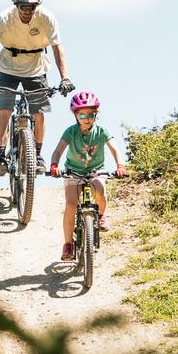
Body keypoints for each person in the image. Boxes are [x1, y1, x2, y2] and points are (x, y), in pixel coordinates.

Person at [0, 0, 75, 175]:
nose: (28, 11)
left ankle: (36, 155)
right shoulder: (4, 19)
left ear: (38, 5)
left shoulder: (47, 18)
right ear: (16, 5)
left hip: (36, 68)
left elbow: (57, 49)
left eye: (32, 7)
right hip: (8, 67)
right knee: (4, 110)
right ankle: (1, 156)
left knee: (39, 112)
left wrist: (65, 78)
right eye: (24, 7)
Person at [49, 91, 127, 261]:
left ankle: (99, 217)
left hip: (95, 171)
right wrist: (54, 165)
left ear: (95, 115)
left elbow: (114, 149)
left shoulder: (101, 131)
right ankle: (68, 244)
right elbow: (58, 151)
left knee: (101, 192)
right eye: (82, 114)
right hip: (73, 172)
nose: (86, 118)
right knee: (71, 205)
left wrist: (120, 166)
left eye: (90, 114)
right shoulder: (70, 132)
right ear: (76, 116)